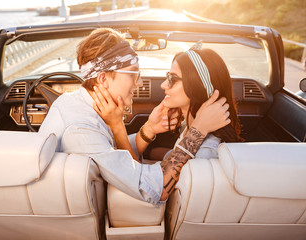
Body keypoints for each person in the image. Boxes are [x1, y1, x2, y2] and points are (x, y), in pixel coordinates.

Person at [39, 28, 230, 204]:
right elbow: (154, 188)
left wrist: (148, 130)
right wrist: (198, 130)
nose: (138, 84)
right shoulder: (81, 129)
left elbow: (111, 154)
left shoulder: (72, 103)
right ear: (103, 79)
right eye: (132, 75)